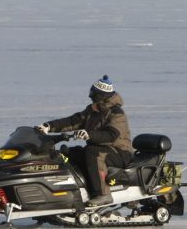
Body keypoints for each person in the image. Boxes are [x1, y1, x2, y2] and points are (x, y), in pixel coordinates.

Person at [36, 76, 133, 206]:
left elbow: (112, 135)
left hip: (120, 152)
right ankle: (72, 192)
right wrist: (48, 126)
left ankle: (103, 194)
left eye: (93, 93)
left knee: (93, 153)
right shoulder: (92, 110)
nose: (90, 96)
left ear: (101, 95)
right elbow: (73, 121)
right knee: (69, 153)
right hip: (99, 148)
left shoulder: (116, 113)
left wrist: (89, 135)